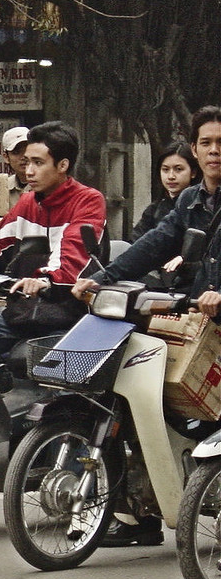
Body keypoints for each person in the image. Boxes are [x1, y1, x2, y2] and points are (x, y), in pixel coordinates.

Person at [72, 106, 221, 546]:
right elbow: (151, 246)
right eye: (207, 143)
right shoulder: (190, 202)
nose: (215, 151)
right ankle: (143, 507)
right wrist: (99, 279)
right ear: (195, 150)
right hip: (200, 327)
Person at [0, 121, 106, 367]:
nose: (29, 172)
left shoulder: (87, 201)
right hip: (22, 314)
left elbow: (71, 254)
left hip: (68, 317)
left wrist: (46, 280)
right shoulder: (27, 202)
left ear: (63, 165)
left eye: (38, 163)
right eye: (27, 162)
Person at [131, 141, 201, 242]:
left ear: (193, 172)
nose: (171, 176)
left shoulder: (200, 207)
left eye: (178, 169)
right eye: (165, 169)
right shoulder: (154, 210)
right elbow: (136, 243)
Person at [1, 126, 31, 208]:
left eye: (27, 150)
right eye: (16, 152)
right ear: (6, 157)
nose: (24, 157)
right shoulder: (2, 188)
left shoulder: (47, 185)